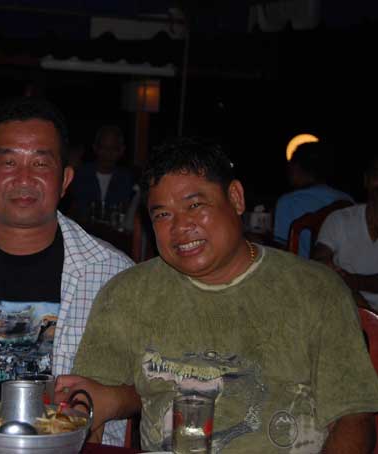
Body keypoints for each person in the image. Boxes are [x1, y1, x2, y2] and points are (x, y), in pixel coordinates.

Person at [57, 137, 378, 453]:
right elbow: (88, 403)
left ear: (236, 198)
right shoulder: (127, 293)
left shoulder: (314, 290)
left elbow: (353, 418)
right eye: (162, 215)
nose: (180, 227)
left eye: (195, 206)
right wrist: (98, 406)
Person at [0, 96, 134, 446]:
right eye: (9, 162)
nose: (24, 178)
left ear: (65, 180)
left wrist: (116, 399)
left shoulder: (115, 274)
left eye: (41, 163)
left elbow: (155, 382)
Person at [312, 153, 378, 312]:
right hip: (348, 310)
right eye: (377, 175)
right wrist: (326, 266)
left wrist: (352, 281)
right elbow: (319, 260)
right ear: (366, 180)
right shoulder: (340, 219)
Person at [273, 141, 353, 257]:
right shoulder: (347, 199)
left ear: (297, 167)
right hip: (342, 268)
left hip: (301, 267)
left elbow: (281, 251)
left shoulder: (288, 202)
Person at [69, 125, 136, 224]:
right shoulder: (79, 175)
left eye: (113, 149)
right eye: (103, 148)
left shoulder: (126, 179)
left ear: (121, 150)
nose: (108, 154)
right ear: (95, 148)